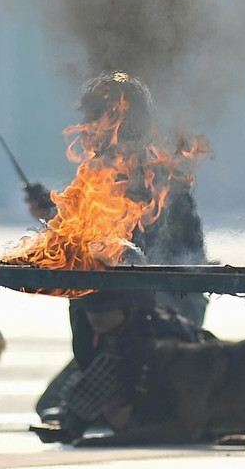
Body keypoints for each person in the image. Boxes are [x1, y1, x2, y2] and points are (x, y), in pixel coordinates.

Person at [28, 72, 212, 432]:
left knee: (77, 403)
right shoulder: (97, 177)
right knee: (52, 403)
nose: (92, 130)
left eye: (101, 117)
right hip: (113, 310)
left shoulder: (158, 176)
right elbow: (91, 239)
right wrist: (54, 217)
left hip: (162, 310)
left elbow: (140, 250)